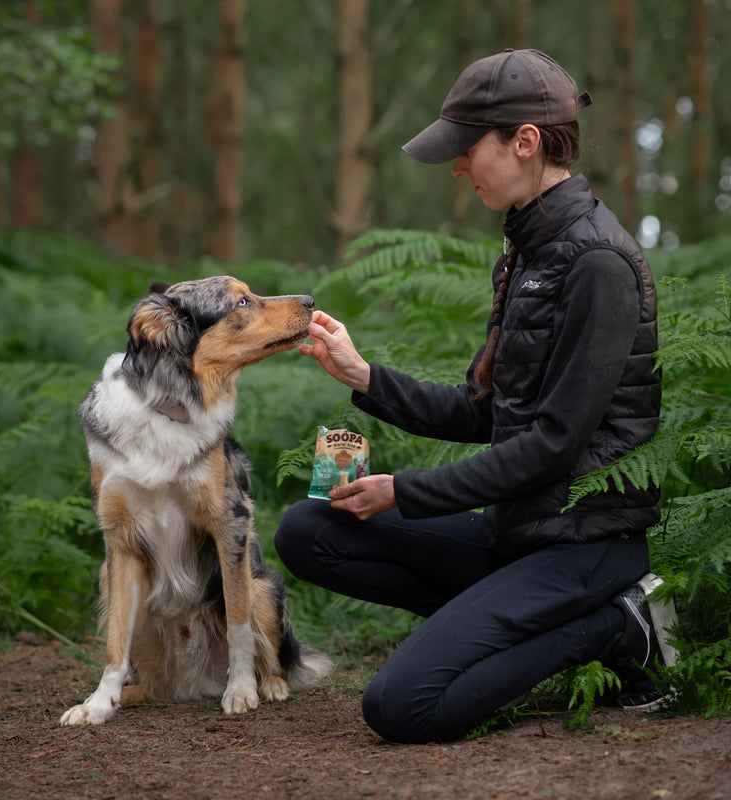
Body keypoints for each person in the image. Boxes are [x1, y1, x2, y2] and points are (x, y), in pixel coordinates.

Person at [275, 48, 675, 744]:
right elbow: (488, 415)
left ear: (525, 143)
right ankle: (500, 623)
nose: (457, 167)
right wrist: (365, 376)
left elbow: (553, 446)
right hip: (519, 530)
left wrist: (405, 490)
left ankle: (616, 625)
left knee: (400, 708)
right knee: (308, 531)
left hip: (587, 544)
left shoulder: (597, 264)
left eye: (466, 149)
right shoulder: (526, 250)